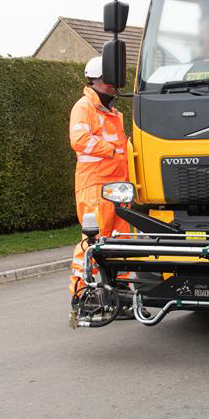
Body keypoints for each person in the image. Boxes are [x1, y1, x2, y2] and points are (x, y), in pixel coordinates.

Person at [68, 56, 129, 295]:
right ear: (98, 80)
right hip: (95, 186)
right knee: (94, 241)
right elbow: (79, 140)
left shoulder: (112, 112)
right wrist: (111, 150)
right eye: (111, 82)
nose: (115, 87)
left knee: (121, 240)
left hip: (116, 186)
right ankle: (81, 292)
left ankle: (119, 290)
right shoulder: (84, 107)